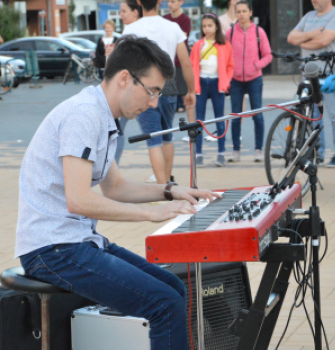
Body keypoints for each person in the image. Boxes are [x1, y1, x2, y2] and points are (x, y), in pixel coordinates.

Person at [16, 35, 220, 350]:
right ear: (125, 78)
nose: (154, 103)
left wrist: (172, 191)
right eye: (152, 91)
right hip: (51, 249)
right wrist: (149, 214)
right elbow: (78, 199)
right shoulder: (83, 115)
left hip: (76, 241)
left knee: (174, 289)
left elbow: (115, 187)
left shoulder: (103, 115)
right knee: (163, 303)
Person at [123, 0, 196, 184]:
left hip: (143, 87)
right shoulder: (173, 27)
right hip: (169, 85)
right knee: (167, 136)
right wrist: (191, 90)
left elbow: (124, 64)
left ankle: (163, 187)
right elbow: (185, 62)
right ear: (160, 1)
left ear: (139, 2)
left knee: (153, 140)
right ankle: (167, 183)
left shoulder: (131, 29)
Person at [287, 0, 335, 168]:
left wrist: (304, 40)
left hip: (329, 75)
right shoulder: (308, 16)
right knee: (313, 117)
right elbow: (291, 37)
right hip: (308, 74)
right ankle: (317, 154)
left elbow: (324, 41)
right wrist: (312, 34)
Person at [226, 0, 272, 163]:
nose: (241, 14)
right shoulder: (230, 33)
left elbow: (268, 55)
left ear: (250, 12)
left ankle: (258, 150)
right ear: (235, 13)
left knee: (257, 115)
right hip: (236, 80)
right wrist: (228, 73)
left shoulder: (259, 32)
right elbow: (225, 56)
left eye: (244, 11)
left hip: (255, 79)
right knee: (236, 115)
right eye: (238, 11)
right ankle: (236, 150)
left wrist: (256, 65)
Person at [190, 13, 234, 167]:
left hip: (217, 84)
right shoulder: (197, 45)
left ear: (216, 26)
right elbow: (191, 65)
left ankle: (221, 154)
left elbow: (230, 66)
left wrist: (226, 83)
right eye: (204, 26)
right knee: (199, 120)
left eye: (210, 25)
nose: (207, 29)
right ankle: (199, 154)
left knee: (219, 119)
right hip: (201, 83)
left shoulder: (225, 45)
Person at [115, 0, 143, 165]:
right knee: (158, 132)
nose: (121, 15)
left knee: (116, 130)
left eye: (124, 11)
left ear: (135, 12)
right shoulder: (131, 30)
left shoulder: (133, 31)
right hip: (136, 85)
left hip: (132, 87)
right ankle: (163, 176)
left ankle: (113, 168)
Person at [163, 0, 191, 115]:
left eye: (173, 1)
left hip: (180, 59)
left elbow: (183, 36)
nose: (170, 4)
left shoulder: (185, 19)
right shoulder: (164, 18)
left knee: (182, 88)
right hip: (167, 60)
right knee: (168, 90)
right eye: (169, 1)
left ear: (181, 2)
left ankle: (183, 106)